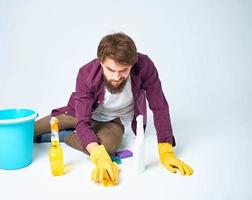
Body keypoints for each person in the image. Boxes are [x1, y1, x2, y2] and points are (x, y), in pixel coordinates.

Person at [34, 32, 193, 186]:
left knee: (108, 147)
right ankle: (73, 133)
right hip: (79, 114)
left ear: (132, 64)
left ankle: (65, 136)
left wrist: (166, 150)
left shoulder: (144, 66)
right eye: (111, 70)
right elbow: (82, 122)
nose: (116, 77)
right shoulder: (86, 73)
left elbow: (159, 107)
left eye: (123, 70)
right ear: (101, 62)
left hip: (114, 121)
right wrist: (97, 155)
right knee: (30, 131)